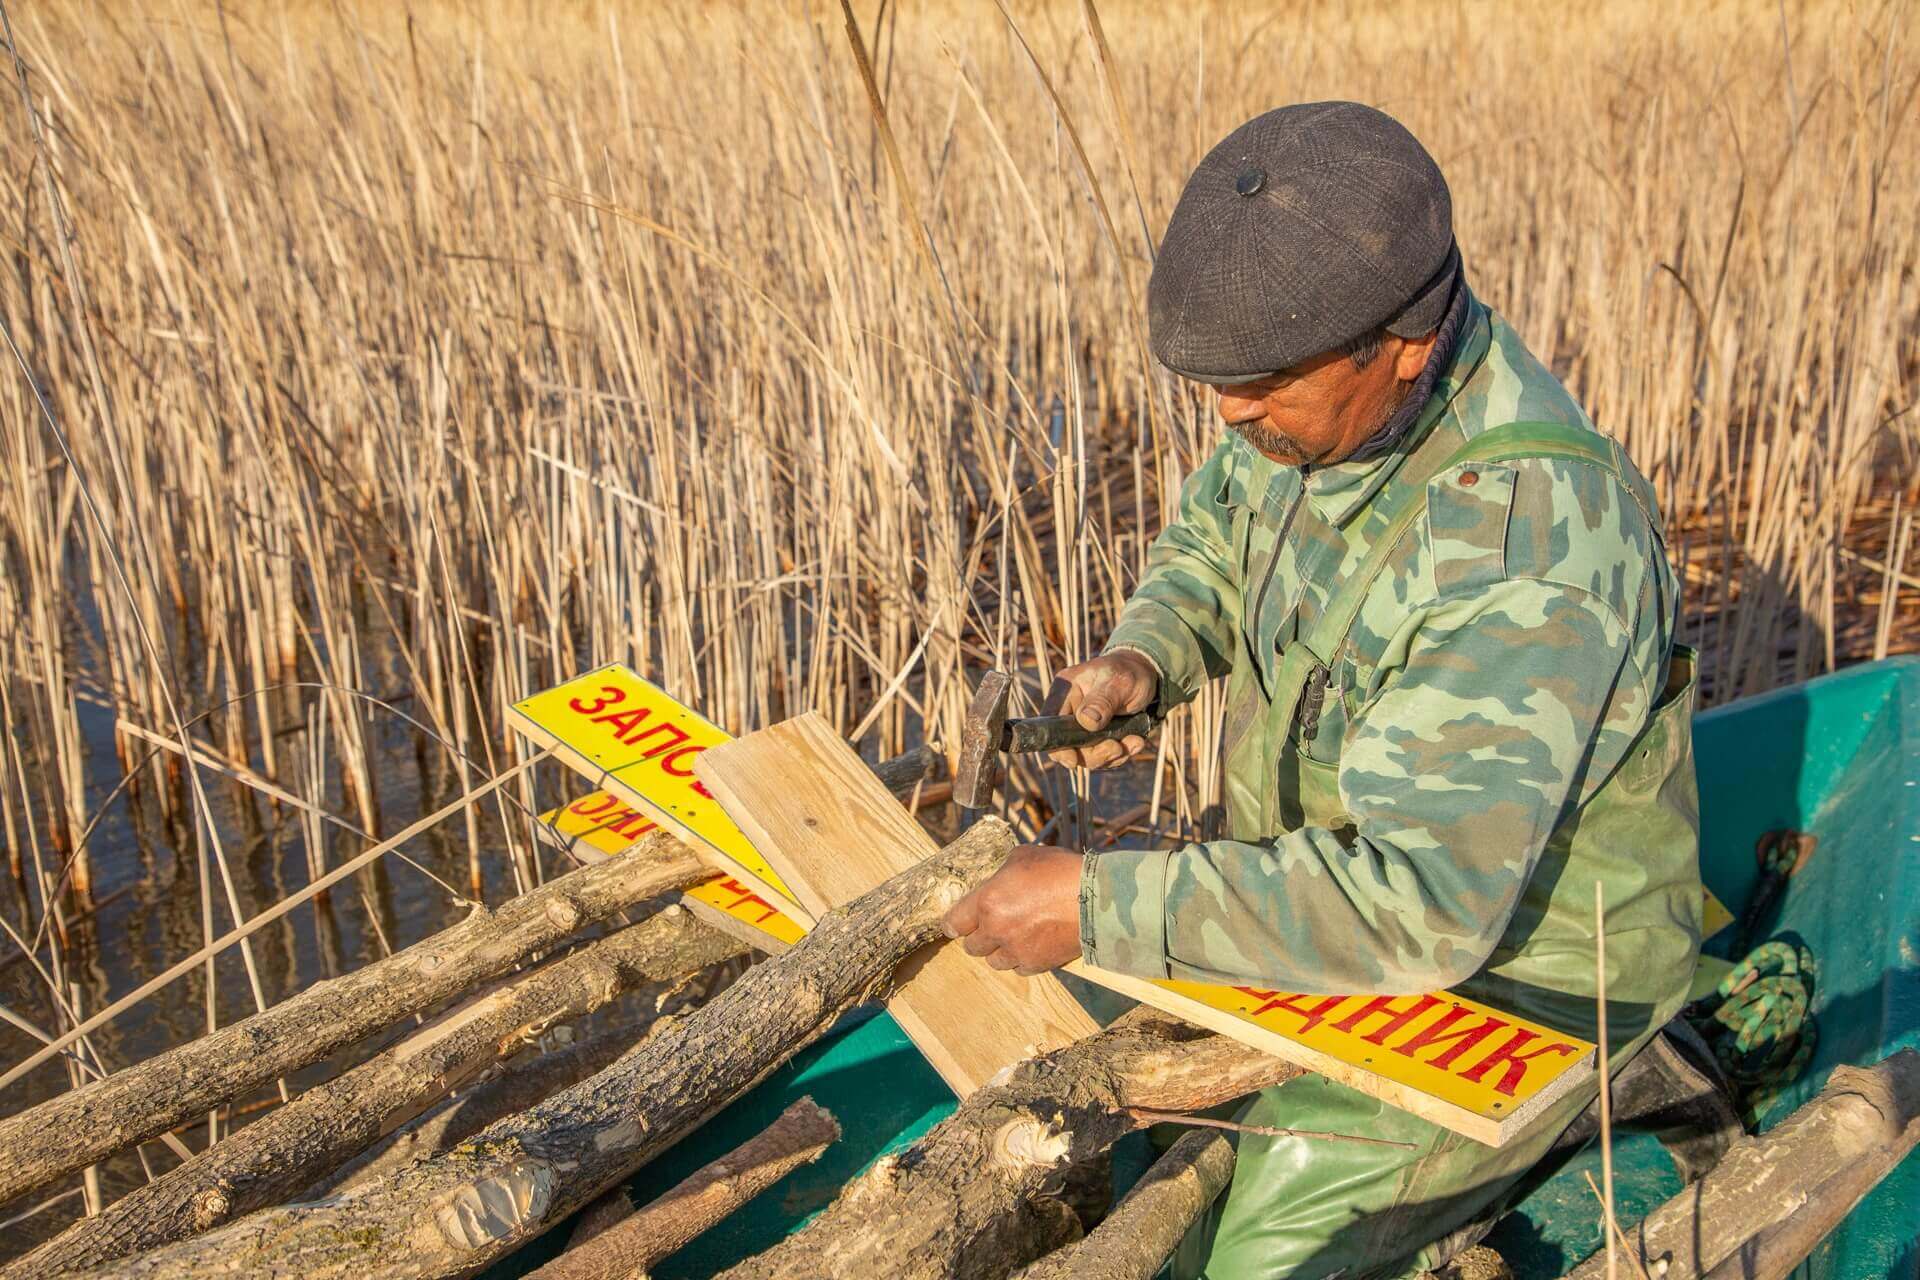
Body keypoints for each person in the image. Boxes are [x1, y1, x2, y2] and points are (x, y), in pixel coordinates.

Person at [941, 101, 1704, 1278]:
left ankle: (1635, 1089)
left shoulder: (1528, 541)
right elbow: (1212, 534)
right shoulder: (1316, 410)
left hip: (1518, 979)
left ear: (1401, 340)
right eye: (1218, 386)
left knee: (1266, 1252)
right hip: (1325, 910)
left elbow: (1424, 903)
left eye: (1261, 386)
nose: (1231, 415)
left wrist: (1100, 903)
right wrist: (1149, 650)